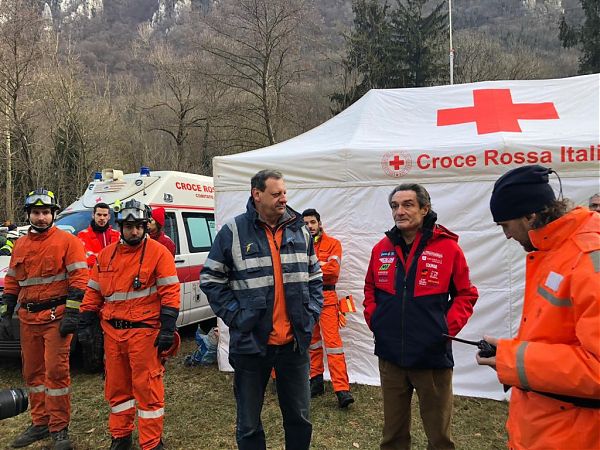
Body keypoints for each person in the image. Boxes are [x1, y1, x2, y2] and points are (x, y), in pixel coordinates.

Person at [477, 165, 600, 449]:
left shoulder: (587, 259)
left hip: (574, 433)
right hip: (546, 423)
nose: (507, 236)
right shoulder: (555, 250)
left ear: (530, 216)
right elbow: (556, 334)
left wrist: (512, 359)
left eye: (505, 226)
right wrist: (508, 350)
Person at [200, 169, 323, 450]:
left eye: (285, 193)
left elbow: (315, 276)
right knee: (249, 424)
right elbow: (210, 279)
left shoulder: (300, 229)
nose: (284, 199)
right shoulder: (233, 231)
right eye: (276, 194)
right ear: (257, 194)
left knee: (300, 419)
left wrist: (311, 312)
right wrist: (236, 316)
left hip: (294, 344)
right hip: (251, 344)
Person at [363, 183, 479, 450]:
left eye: (407, 205)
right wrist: (375, 320)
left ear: (425, 209)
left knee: (439, 437)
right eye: (395, 206)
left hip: (431, 356)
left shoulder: (448, 248)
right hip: (390, 355)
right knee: (392, 435)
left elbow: (465, 294)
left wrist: (444, 330)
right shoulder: (382, 248)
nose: (399, 211)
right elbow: (370, 287)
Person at [77, 199, 180, 450]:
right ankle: (121, 437)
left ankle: (151, 442)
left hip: (144, 334)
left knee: (148, 390)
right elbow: (93, 292)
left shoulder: (159, 253)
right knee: (117, 390)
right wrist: (85, 322)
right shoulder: (106, 255)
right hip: (113, 334)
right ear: (120, 227)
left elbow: (170, 293)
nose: (134, 231)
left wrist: (168, 328)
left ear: (145, 226)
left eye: (138, 226)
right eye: (129, 226)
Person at [0, 189, 88, 450]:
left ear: (53, 214)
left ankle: (59, 428)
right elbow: (13, 280)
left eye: (46, 212)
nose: (41, 217)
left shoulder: (68, 242)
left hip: (56, 319)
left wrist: (72, 314)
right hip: (28, 320)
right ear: (29, 214)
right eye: (36, 212)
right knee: (33, 373)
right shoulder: (20, 245)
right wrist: (6, 311)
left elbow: (79, 281)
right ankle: (40, 423)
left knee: (56, 374)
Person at [302, 208, 354, 408]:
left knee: (333, 344)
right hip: (307, 299)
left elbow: (333, 271)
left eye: (312, 222)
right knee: (312, 342)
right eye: (306, 223)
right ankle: (316, 382)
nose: (310, 226)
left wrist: (309, 269)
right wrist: (320, 266)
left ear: (319, 223)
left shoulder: (333, 244)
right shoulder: (299, 246)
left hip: (327, 298)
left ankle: (342, 390)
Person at [77, 202, 121, 269]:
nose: (102, 218)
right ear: (93, 215)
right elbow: (88, 259)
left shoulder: (117, 234)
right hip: (94, 274)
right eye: (99, 215)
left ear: (109, 217)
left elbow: (122, 257)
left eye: (105, 215)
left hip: (114, 274)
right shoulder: (83, 235)